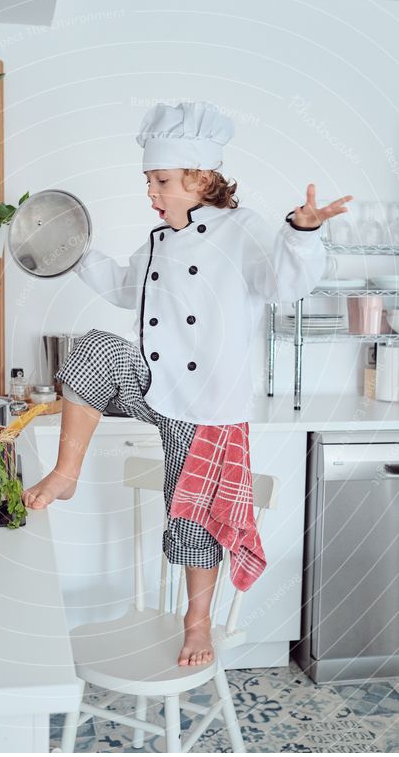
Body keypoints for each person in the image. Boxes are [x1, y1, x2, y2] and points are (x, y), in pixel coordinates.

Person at [22, 101, 353, 667]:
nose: (151, 191)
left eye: (162, 180)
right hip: (156, 380)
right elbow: (127, 288)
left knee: (191, 513)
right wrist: (71, 252)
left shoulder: (243, 229)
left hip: (206, 403)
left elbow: (285, 282)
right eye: (149, 180)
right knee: (95, 350)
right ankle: (66, 473)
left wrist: (301, 231)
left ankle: (195, 622)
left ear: (201, 179)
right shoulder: (158, 241)